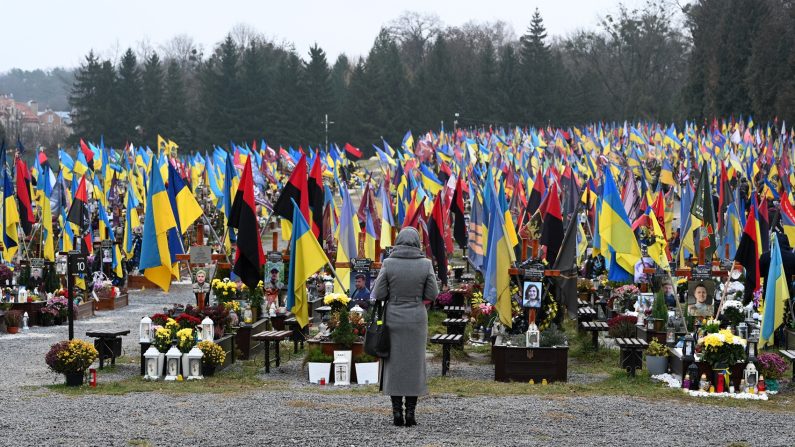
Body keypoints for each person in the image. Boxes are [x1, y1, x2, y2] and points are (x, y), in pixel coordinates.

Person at [371, 227, 438, 427]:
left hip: (393, 318)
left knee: (394, 364)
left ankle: (396, 413)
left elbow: (379, 293)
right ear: (417, 243)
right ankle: (411, 413)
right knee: (414, 365)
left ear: (398, 241)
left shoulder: (389, 263)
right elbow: (433, 294)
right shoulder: (425, 264)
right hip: (417, 318)